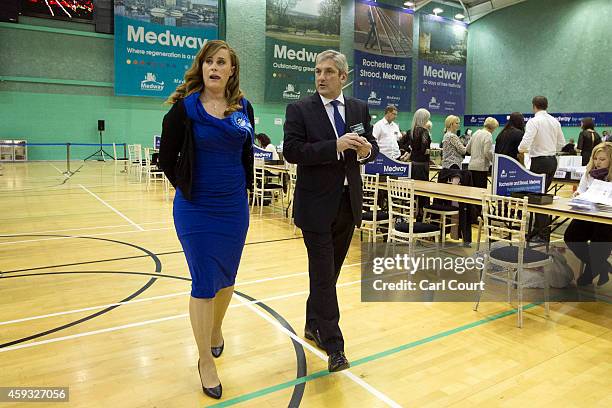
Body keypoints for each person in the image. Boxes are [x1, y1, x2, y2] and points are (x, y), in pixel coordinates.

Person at [158, 40, 254, 400]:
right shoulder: (184, 110)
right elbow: (166, 158)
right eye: (209, 61)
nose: (214, 67)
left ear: (231, 71)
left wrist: (243, 190)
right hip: (196, 208)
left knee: (226, 279)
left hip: (233, 209)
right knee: (203, 281)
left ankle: (216, 330)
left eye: (222, 62)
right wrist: (188, 187)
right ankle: (204, 360)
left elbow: (246, 152)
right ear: (201, 68)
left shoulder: (243, 108)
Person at [283, 50, 378, 373]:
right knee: (324, 275)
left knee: (329, 275)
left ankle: (313, 324)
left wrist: (366, 151)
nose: (320, 77)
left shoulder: (358, 109)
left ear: (343, 77)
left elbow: (370, 147)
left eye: (327, 72)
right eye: (317, 71)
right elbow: (293, 151)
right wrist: (334, 147)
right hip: (314, 207)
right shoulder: (300, 110)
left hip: (347, 204)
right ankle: (335, 347)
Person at [518, 96, 565, 241]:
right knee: (542, 196)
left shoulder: (534, 121)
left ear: (534, 106)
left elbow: (524, 144)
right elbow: (561, 143)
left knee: (538, 198)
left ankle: (542, 235)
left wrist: (522, 149)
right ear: (546, 106)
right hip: (552, 161)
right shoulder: (554, 121)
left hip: (540, 162)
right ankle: (538, 232)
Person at [564, 142, 612, 286]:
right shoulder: (589, 171)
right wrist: (578, 194)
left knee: (601, 239)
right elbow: (581, 190)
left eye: (602, 159)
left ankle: (591, 271)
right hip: (588, 213)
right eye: (596, 158)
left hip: (607, 217)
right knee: (571, 236)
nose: (597, 162)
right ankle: (603, 266)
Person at [410, 108, 432, 214]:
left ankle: (415, 211)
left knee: (415, 190)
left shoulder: (412, 131)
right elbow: (424, 150)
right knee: (423, 191)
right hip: (422, 165)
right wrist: (431, 152)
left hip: (414, 164)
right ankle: (422, 213)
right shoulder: (424, 132)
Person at [467, 117, 498, 188]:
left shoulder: (476, 133)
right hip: (481, 168)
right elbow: (487, 152)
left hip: (471, 166)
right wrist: (494, 160)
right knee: (480, 192)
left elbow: (468, 149)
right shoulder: (488, 135)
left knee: (472, 191)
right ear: (493, 127)